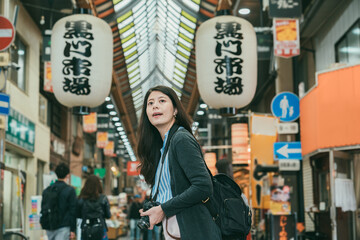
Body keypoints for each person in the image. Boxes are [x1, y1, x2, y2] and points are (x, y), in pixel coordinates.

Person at [137, 85, 221, 239]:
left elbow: (203, 186)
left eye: (162, 101)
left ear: (175, 110)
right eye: (150, 103)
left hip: (195, 230)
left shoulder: (180, 139)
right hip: (178, 230)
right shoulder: (163, 147)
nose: (155, 105)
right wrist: (156, 209)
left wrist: (163, 209)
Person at [43, 163, 77, 240]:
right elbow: (73, 211)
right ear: (67, 175)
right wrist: (72, 229)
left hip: (49, 226)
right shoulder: (70, 190)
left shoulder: (48, 190)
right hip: (63, 226)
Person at [77, 175, 111, 240]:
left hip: (86, 228)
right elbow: (108, 215)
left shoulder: (81, 199)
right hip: (100, 227)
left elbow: (78, 214)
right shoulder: (103, 198)